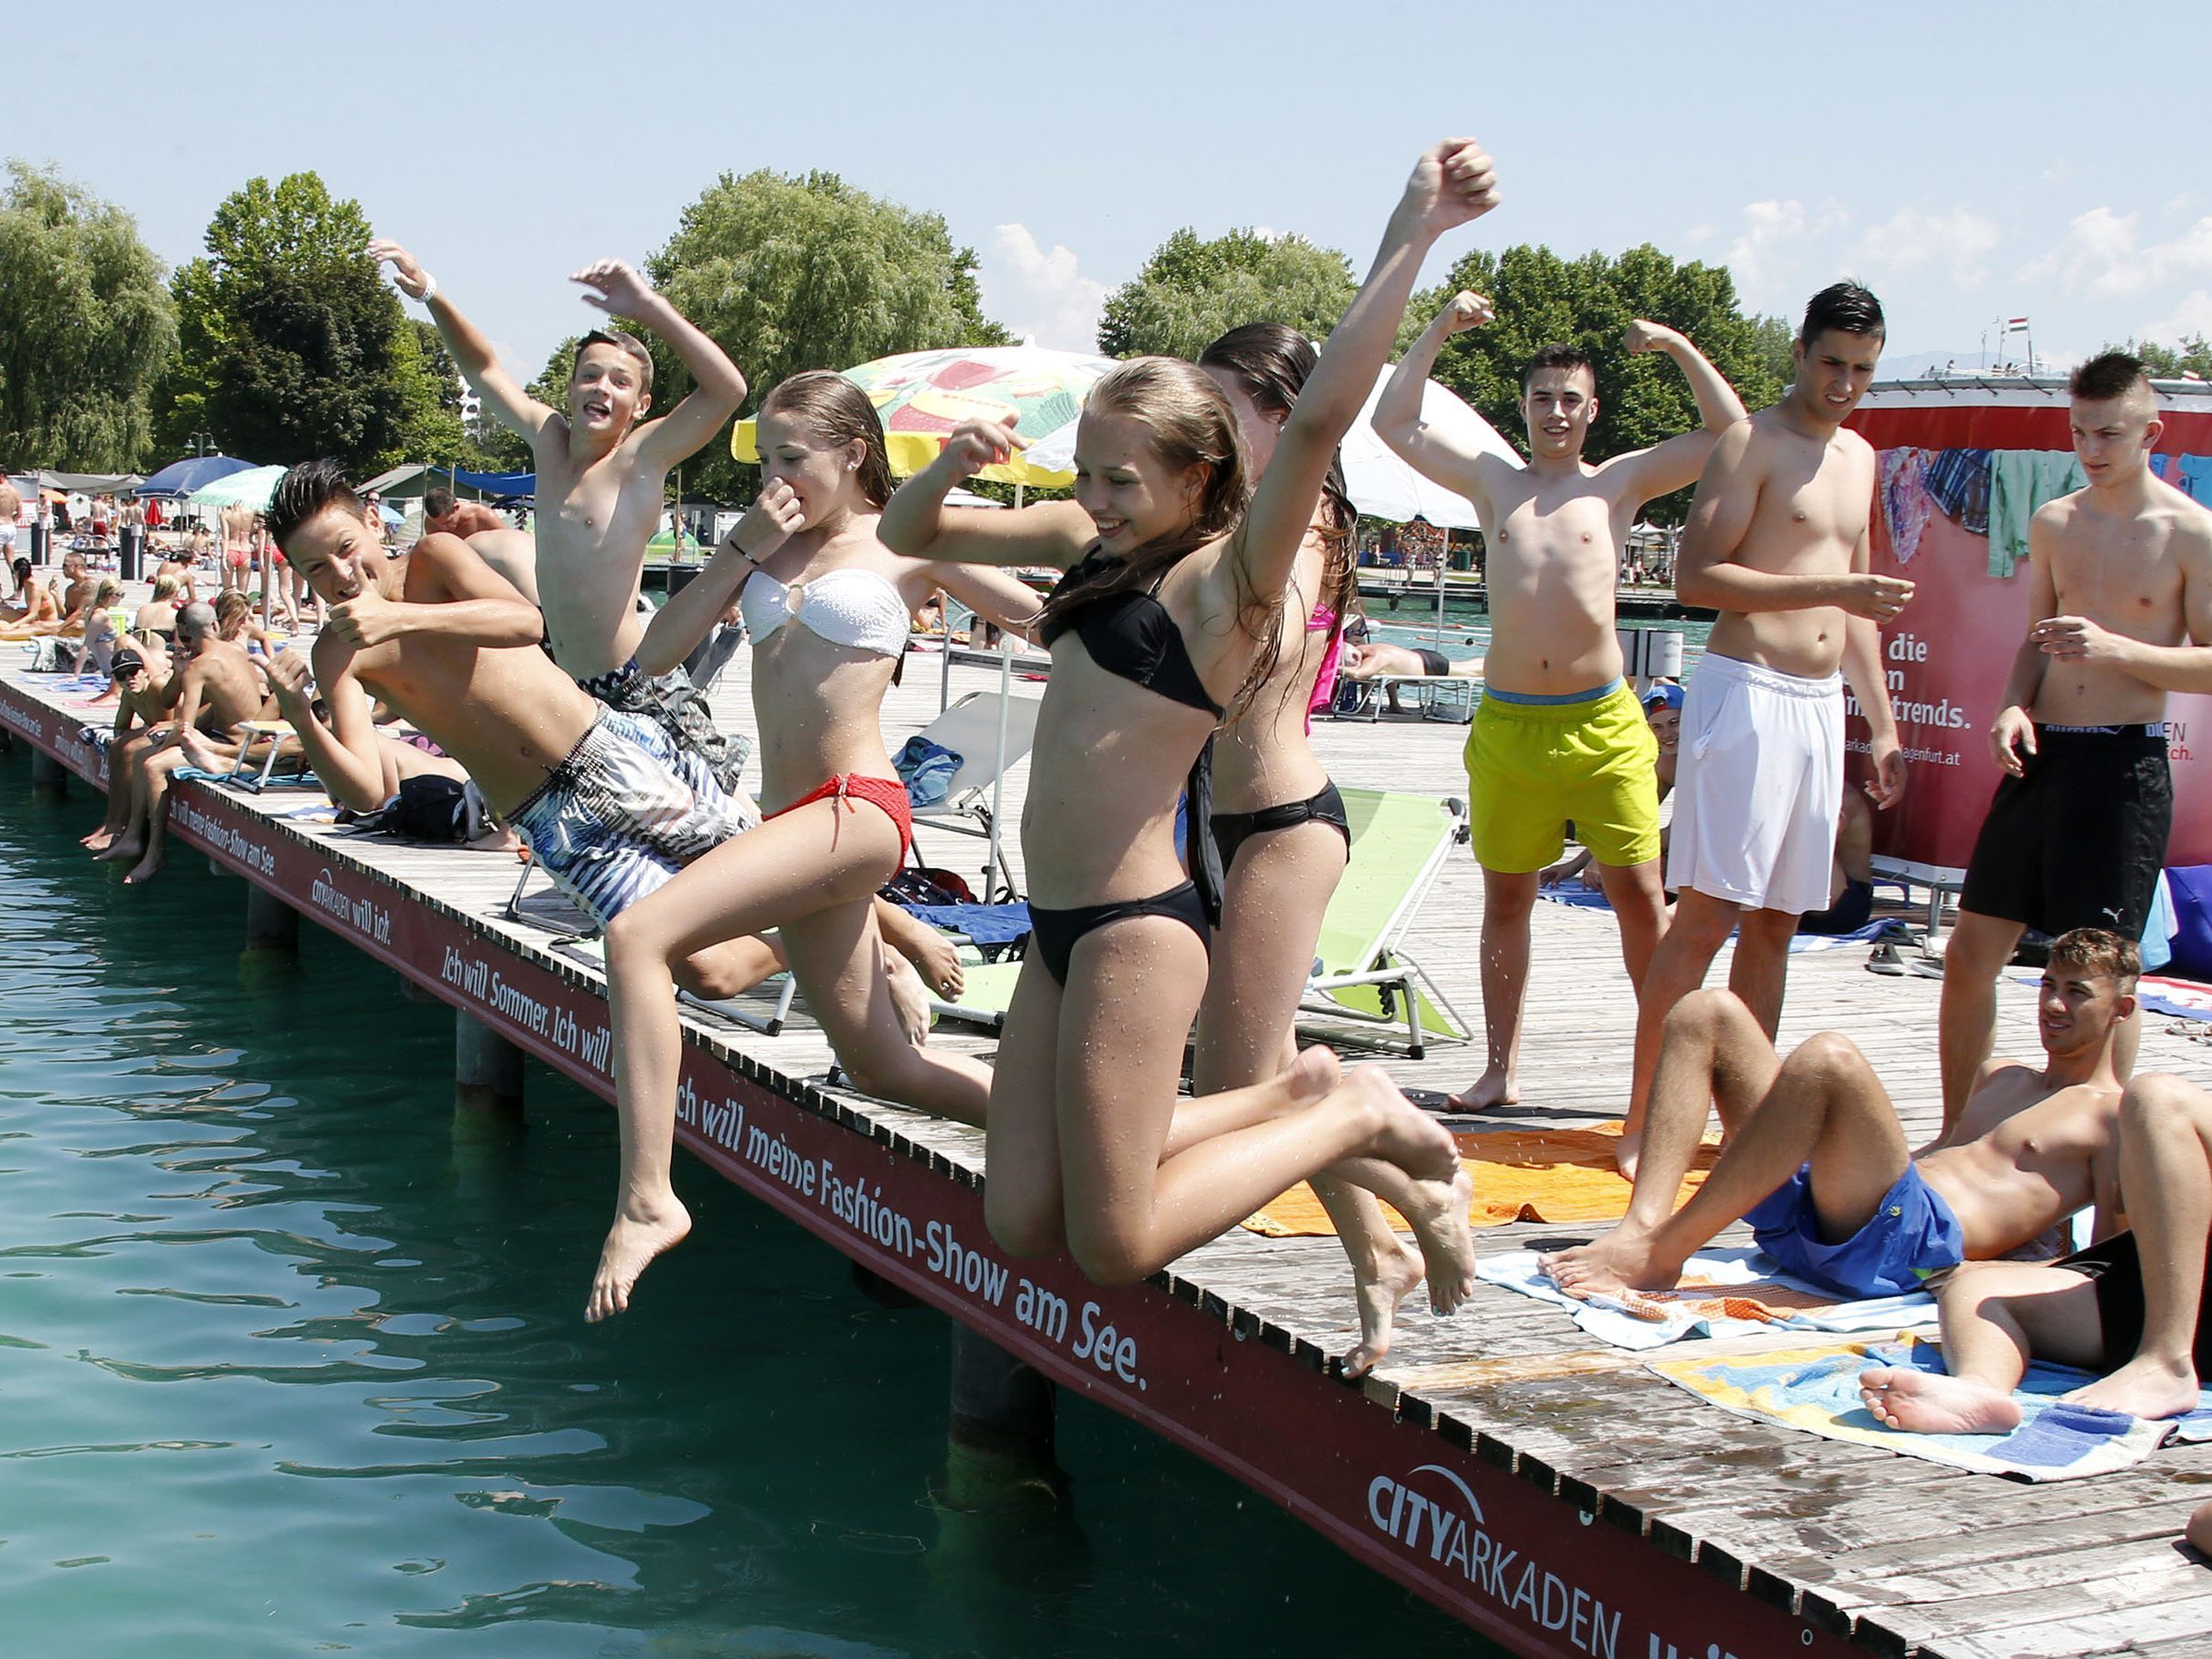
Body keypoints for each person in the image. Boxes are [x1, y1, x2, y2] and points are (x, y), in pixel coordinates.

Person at [877, 139, 1497, 1335]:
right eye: (1085, 473)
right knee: (1019, 1214)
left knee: (1116, 1239)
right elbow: (913, 528)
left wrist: (1411, 230)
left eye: (1118, 477)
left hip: (1132, 927)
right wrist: (949, 466)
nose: (1093, 496)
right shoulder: (1091, 540)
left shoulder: (1233, 578)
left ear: (1193, 470)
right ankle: (1313, 1089)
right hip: (1058, 925)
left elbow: (1317, 419)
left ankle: (1345, 1108)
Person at [588, 371, 1045, 1322]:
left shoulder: (908, 541)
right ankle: (1090, 1137)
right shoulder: (765, 548)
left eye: (792, 456)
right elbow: (653, 657)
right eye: (765, 460)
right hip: (786, 823)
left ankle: (647, 1198)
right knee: (883, 1069)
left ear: (854, 454)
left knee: (638, 939)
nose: (776, 478)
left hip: (855, 806)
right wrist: (739, 549)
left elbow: (1047, 619)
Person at [1379, 304, 1747, 1112]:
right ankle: (1500, 1070)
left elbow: (1731, 435)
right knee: (1505, 900)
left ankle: (1656, 1082)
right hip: (1510, 725)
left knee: (1639, 901)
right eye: (1542, 397)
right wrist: (1438, 327)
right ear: (1524, 405)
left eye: (1570, 399)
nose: (1556, 411)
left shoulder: (1618, 483)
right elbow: (1393, 418)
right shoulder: (1491, 479)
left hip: (1602, 725)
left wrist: (1678, 345)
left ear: (1591, 410)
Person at [1622, 282, 1911, 1172]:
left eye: (1861, 370)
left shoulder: (1859, 457)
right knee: (1706, 916)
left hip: (1820, 704)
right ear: (1798, 351)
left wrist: (1884, 723)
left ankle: (1746, 1120)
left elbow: (1857, 606)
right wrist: (1831, 593)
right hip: (1746, 692)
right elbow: (1698, 578)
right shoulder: (1752, 442)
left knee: (1781, 919)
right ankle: (1642, 1119)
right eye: (1830, 363)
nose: (1843, 383)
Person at [1187, 321, 1414, 1378]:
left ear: (1281, 415)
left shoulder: (1307, 521)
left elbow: (1247, 641)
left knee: (1243, 1076)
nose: (1204, 424)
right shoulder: (1236, 517)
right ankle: (1378, 1252)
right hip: (1225, 822)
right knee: (1259, 1068)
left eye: (1221, 405)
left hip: (1281, 825)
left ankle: (1406, 1192)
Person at [1540, 928, 2134, 1301]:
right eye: (2047, 985)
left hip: (1905, 1250)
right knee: (1705, 1010)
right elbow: (1944, 1157)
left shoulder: (2114, 1119)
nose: (2053, 1004)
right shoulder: (2000, 1075)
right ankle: (1641, 1226)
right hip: (1835, 1214)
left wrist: (2000, 1281)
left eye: (2077, 992)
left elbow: (2111, 1257)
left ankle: (1662, 1253)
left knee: (1828, 1059)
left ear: (2122, 1007)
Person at [1937, 353, 2212, 1128]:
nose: (2091, 449)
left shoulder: (2189, 531)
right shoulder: (2055, 518)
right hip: (2043, 754)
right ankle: (1960, 1132)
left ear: (2150, 432)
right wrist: (2009, 708)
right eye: (2079, 432)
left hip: (2123, 761)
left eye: (2109, 434)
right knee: (1969, 953)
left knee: (2100, 978)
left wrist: (2117, 650)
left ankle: (2097, 1153)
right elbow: (2036, 636)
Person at [370, 238, 753, 792]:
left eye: (621, 382)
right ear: (571, 387)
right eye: (590, 375)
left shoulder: (640, 458)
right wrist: (431, 293)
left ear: (641, 406)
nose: (602, 388)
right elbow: (483, 369)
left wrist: (647, 306)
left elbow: (726, 390)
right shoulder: (547, 442)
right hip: (562, 682)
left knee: (714, 802)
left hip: (635, 683)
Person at [1860, 1070, 2212, 1435]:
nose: (2054, 1008)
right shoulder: (2003, 1077)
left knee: (2158, 1096)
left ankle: (2167, 1360)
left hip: (2174, 1320)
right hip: (2175, 1298)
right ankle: (1980, 1389)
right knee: (1979, 1291)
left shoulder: (2095, 1107)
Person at [94, 600, 274, 884]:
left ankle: (154, 853)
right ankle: (131, 837)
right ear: (214, 625)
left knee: (152, 765)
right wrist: (179, 671)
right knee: (141, 756)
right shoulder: (236, 651)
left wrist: (164, 746)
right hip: (248, 736)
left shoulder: (198, 667)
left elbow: (185, 726)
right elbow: (207, 705)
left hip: (232, 745)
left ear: (184, 631)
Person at [1538, 684, 1683, 889]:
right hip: (1693, 848)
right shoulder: (1667, 765)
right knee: (1616, 880)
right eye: (1657, 727)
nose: (1667, 734)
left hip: (1724, 851)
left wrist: (1607, 860)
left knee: (1625, 878)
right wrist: (1574, 866)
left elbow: (1680, 832)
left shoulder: (1705, 763)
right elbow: (1628, 821)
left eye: (1674, 723)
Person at [81, 639, 179, 852]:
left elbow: (177, 721)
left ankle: (121, 827)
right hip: (160, 733)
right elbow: (120, 728)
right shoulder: (130, 695)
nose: (129, 680)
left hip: (185, 732)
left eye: (133, 672)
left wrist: (135, 736)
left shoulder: (158, 686)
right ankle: (111, 821)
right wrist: (129, 736)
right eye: (121, 677)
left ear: (144, 671)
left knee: (128, 749)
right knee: (117, 745)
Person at [134, 573, 183, 643]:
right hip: (161, 650)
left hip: (140, 649)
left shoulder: (143, 609)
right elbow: (179, 645)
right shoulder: (175, 612)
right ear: (173, 592)